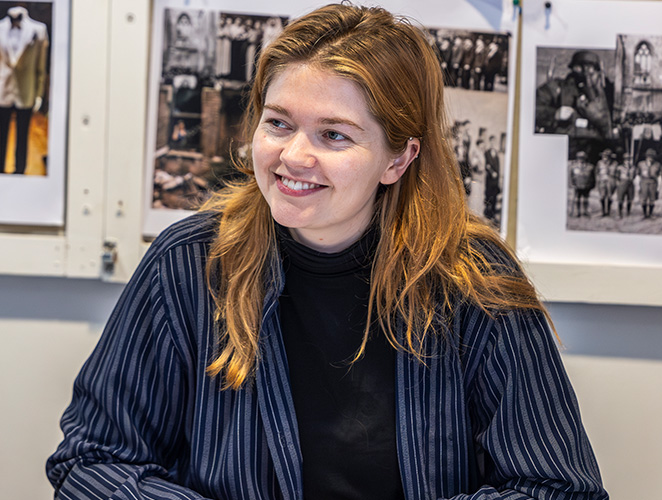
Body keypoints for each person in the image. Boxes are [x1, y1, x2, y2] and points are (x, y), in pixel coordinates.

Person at [47, 5, 607, 499]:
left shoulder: (469, 277)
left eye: (334, 135)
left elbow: (558, 486)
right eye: (279, 123)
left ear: (397, 159)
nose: (293, 155)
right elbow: (91, 461)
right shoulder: (190, 264)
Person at [0, 6, 49, 174]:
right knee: (2, 133)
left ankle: (19, 170)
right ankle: (1, 169)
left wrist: (39, 93)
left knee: (23, 134)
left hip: (26, 89)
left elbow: (41, 66)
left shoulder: (39, 30)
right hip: (3, 88)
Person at [535, 50, 614, 139]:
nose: (586, 73)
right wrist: (554, 114)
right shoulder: (558, 88)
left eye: (591, 69)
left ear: (598, 72)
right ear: (573, 68)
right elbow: (533, 108)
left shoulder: (608, 93)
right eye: (580, 68)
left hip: (595, 145)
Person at [637, 148, 661, 219]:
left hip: (653, 183)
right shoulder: (641, 164)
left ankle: (650, 214)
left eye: (652, 156)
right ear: (646, 156)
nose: (650, 158)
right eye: (649, 156)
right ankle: (645, 214)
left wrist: (659, 187)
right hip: (644, 182)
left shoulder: (657, 165)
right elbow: (638, 175)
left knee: (652, 199)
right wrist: (638, 186)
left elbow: (659, 176)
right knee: (643, 199)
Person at [570, 150, 595, 218]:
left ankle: (585, 212)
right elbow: (571, 176)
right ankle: (577, 212)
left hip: (586, 185)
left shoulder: (590, 166)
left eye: (582, 157)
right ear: (577, 158)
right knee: (577, 199)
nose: (581, 159)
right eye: (579, 157)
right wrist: (572, 184)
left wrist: (592, 185)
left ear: (585, 158)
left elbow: (593, 177)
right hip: (577, 185)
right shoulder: (573, 166)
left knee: (585, 199)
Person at [595, 148, 617, 217]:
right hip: (602, 180)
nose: (605, 157)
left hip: (611, 180)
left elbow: (617, 173)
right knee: (602, 196)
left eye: (607, 156)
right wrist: (597, 181)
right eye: (604, 156)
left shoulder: (614, 163)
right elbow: (597, 172)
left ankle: (608, 212)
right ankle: (603, 211)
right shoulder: (599, 163)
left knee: (610, 197)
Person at [615, 151, 637, 218]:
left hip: (630, 184)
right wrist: (619, 183)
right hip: (622, 183)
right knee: (620, 199)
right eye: (626, 159)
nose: (628, 161)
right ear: (624, 160)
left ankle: (628, 212)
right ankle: (620, 213)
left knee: (630, 199)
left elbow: (635, 175)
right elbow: (617, 176)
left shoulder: (633, 167)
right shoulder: (620, 167)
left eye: (629, 159)